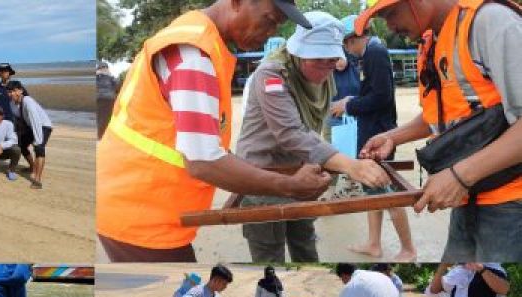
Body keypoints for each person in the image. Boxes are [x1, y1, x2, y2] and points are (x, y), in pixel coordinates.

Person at [96, 0, 336, 263]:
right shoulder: (193, 56)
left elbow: (201, 143)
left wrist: (241, 179)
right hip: (140, 213)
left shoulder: (197, 41)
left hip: (138, 201)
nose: (270, 32)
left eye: (278, 25)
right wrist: (289, 186)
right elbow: (203, 161)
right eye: (269, 19)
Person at [356, 0, 522, 261]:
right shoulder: (431, 40)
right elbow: (442, 115)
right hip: (467, 196)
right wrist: (392, 137)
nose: (389, 25)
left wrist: (459, 176)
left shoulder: (490, 23)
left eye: (391, 13)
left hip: (510, 202)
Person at [236, 11, 391, 262]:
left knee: (305, 244)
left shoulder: (326, 75)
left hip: (301, 172)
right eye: (317, 60)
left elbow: (312, 128)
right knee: (269, 254)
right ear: (299, 53)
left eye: (331, 61)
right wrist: (349, 165)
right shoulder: (271, 75)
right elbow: (290, 133)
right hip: (264, 173)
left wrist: (330, 161)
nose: (325, 68)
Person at [332, 15, 417, 262]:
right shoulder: (369, 54)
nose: (347, 51)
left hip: (379, 132)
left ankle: (408, 249)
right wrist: (351, 102)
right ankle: (373, 243)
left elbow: (381, 97)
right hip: (371, 129)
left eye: (347, 45)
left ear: (355, 38)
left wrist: (349, 106)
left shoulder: (375, 53)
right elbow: (373, 93)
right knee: (371, 187)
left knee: (386, 190)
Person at [7, 80, 52, 189]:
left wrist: (37, 140)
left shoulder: (28, 101)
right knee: (21, 146)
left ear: (21, 91)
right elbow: (18, 120)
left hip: (43, 125)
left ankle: (37, 180)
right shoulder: (11, 104)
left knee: (39, 148)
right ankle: (32, 167)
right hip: (30, 126)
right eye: (9, 92)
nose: (11, 94)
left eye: (14, 91)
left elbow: (35, 120)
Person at [322, 50, 360, 142]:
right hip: (332, 118)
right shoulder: (327, 71)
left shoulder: (357, 69)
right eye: (335, 59)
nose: (338, 62)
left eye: (341, 59)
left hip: (354, 119)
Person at [96, 61, 118, 139]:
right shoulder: (110, 77)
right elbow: (117, 87)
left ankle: (101, 136)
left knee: (101, 118)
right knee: (107, 118)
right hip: (109, 99)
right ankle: (104, 136)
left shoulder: (97, 76)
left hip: (100, 99)